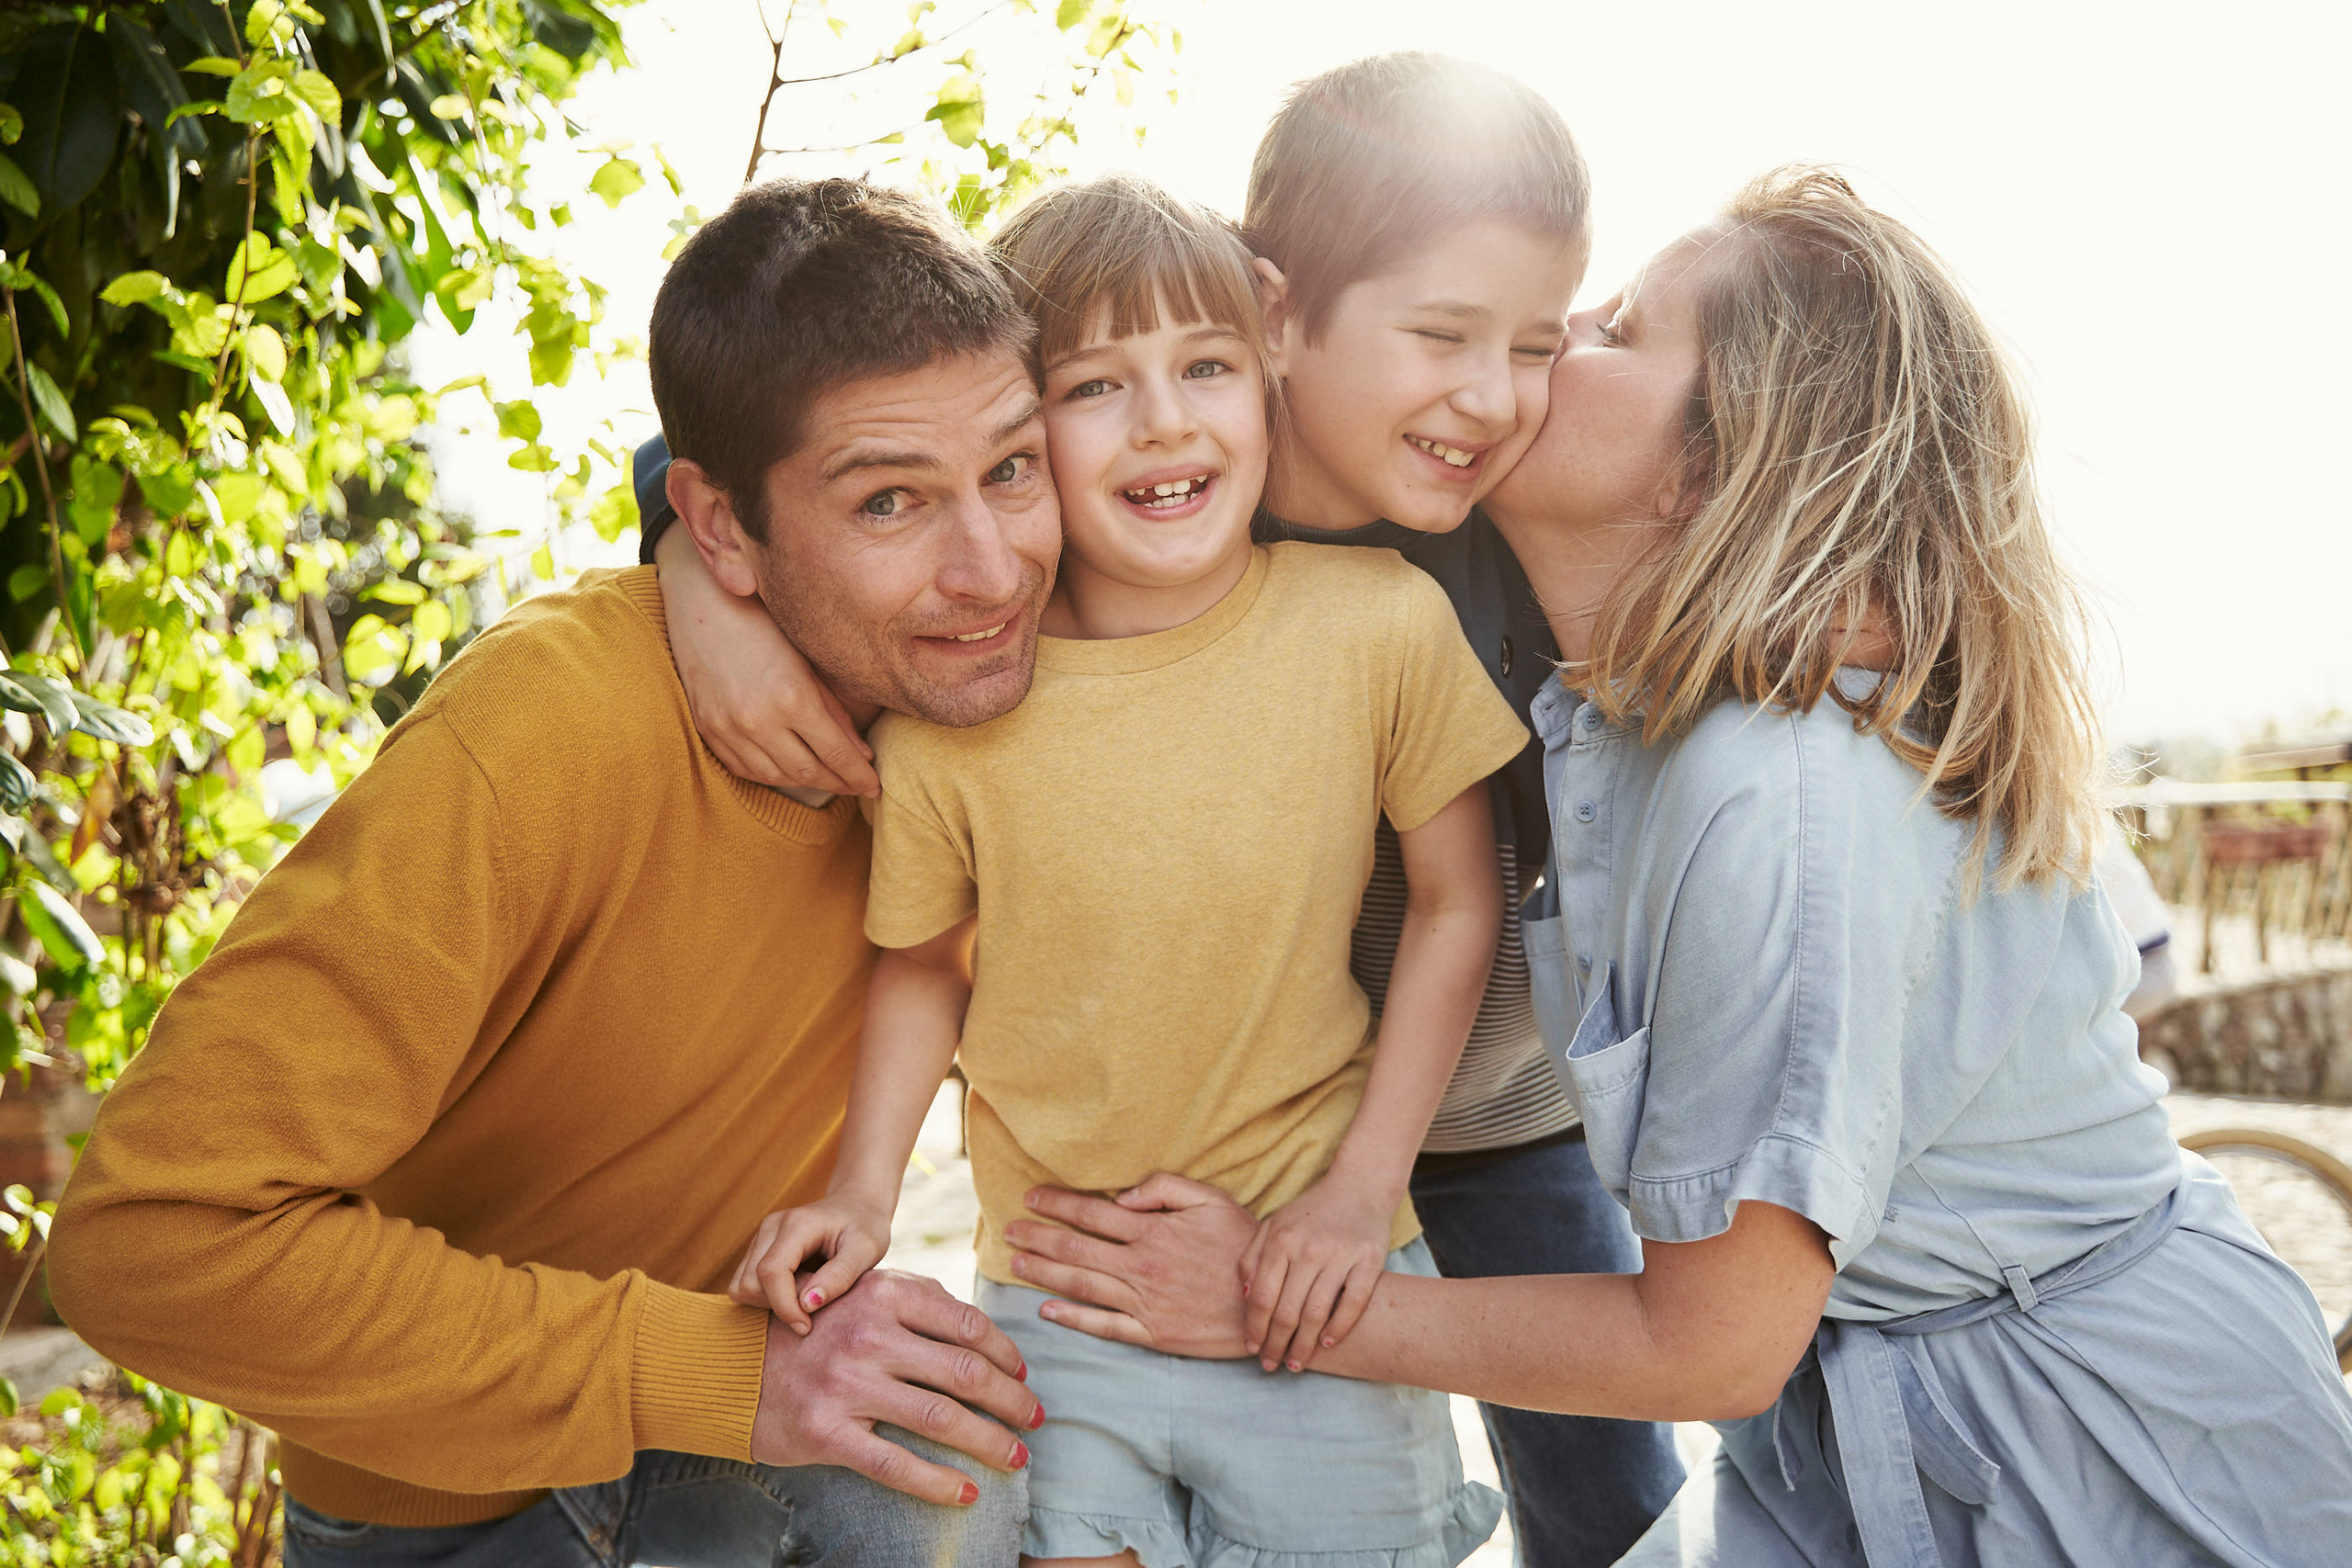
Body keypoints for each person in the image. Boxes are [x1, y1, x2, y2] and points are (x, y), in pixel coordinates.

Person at [1001, 167, 2352, 1565]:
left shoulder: (1778, 793)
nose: (1560, 334)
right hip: (1855, 1420)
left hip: (2099, 1448)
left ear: (1714, 460)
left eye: (1623, 326)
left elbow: (1714, 1345)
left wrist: (1259, 1302)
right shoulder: (1635, 714)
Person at [639, 53, 1684, 1566]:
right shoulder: (1098, 527)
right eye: (1443, 333)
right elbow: (822, 419)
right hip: (1162, 1168)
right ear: (1284, 316)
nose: (1488, 394)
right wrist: (693, 565)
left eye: (1529, 344)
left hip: (1488, 1106)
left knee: (1614, 1507)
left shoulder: (1480, 513)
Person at [43, 178, 1058, 1568]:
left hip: (726, 1424)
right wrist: (719, 1371)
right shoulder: (543, 737)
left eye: (1013, 469)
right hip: (453, 1505)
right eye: (891, 502)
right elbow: (146, 1244)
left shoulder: (1015, 684)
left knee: (970, 1468)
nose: (993, 571)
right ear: (722, 530)